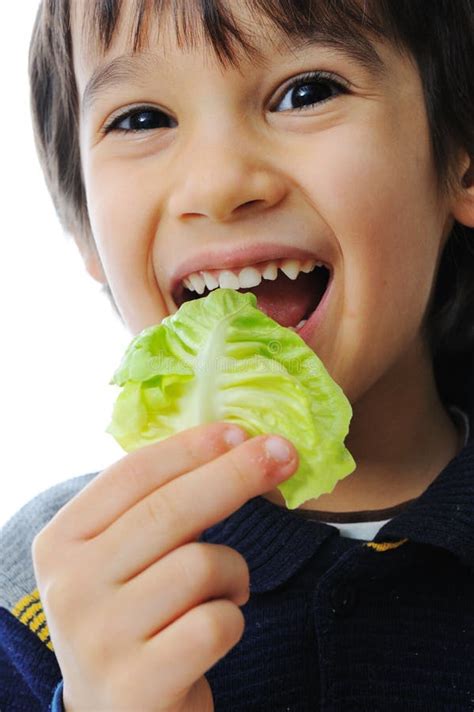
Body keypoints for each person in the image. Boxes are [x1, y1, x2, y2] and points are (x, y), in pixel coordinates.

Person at [1, 0, 474, 710]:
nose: (219, 185)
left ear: (461, 162)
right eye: (141, 119)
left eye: (306, 92)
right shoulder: (50, 586)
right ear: (87, 235)